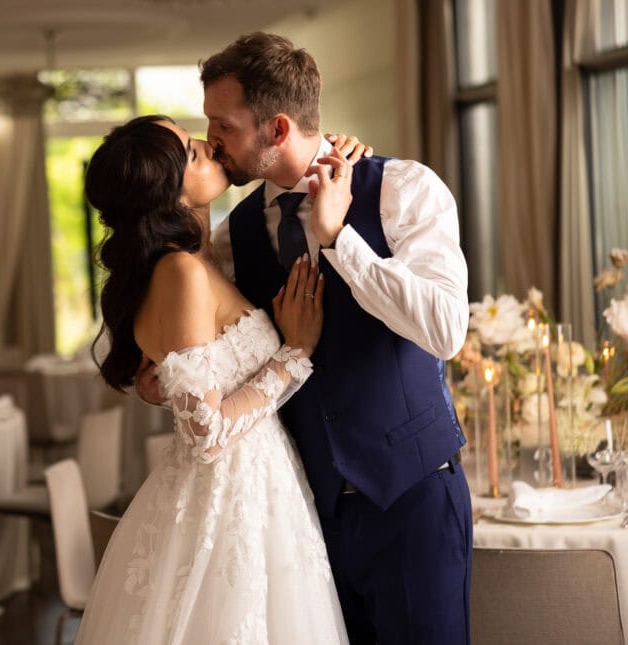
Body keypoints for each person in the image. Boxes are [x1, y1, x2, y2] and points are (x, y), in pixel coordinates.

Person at [196, 32, 472, 644]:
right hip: (302, 519)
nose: (212, 140)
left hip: (412, 502)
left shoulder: (405, 189)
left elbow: (447, 330)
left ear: (278, 128)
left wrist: (340, 238)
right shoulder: (230, 237)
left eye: (225, 125)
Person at [74, 115, 364, 644]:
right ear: (166, 191)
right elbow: (205, 434)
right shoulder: (179, 272)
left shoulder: (204, 259)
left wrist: (335, 149)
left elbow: (182, 378)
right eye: (190, 152)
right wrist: (294, 354)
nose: (207, 146)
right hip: (224, 504)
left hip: (262, 493)